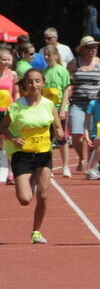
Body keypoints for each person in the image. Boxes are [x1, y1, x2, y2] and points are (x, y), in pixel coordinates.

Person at [0, 69, 64, 243]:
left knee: (43, 196)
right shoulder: (16, 106)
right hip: (22, 154)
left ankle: (36, 231)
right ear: (25, 84)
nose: (34, 85)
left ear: (43, 83)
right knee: (25, 199)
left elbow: (58, 127)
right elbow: (3, 127)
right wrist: (13, 138)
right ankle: (31, 180)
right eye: (30, 81)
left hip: (43, 153)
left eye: (37, 81)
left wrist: (60, 133)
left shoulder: (49, 104)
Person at [67, 36, 100, 174]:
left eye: (95, 47)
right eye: (90, 47)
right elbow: (66, 83)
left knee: (92, 136)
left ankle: (91, 165)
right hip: (78, 103)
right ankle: (82, 158)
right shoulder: (74, 63)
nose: (93, 50)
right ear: (82, 49)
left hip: (95, 104)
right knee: (76, 134)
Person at [41, 45, 72, 177]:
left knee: (61, 137)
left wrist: (63, 109)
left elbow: (66, 90)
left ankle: (66, 167)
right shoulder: (43, 71)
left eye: (49, 55)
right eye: (45, 55)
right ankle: (49, 166)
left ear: (55, 55)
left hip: (59, 107)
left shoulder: (62, 71)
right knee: (48, 138)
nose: (47, 58)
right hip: (46, 108)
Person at [0, 45, 18, 183]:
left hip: (8, 111)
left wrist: (16, 108)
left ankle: (11, 172)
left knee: (8, 141)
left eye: (8, 59)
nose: (5, 62)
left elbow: (16, 93)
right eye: (2, 59)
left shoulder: (12, 74)